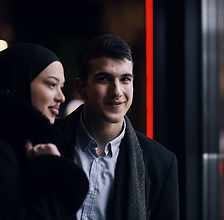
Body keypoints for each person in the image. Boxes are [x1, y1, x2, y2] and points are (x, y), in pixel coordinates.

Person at [0, 43, 88, 220]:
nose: (61, 97)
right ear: (18, 82)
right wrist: (51, 168)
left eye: (61, 86)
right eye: (52, 84)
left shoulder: (21, 145)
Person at [58, 34, 179, 220]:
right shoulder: (46, 139)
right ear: (82, 88)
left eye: (125, 79)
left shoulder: (160, 163)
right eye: (104, 79)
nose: (117, 92)